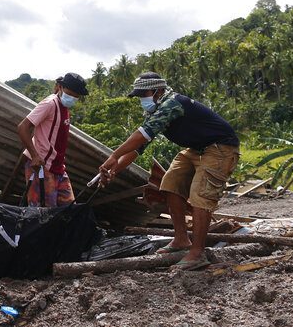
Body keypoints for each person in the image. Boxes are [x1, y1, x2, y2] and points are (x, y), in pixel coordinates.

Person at [99, 72, 240, 271]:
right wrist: (114, 169)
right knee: (170, 184)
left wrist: (113, 155)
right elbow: (138, 148)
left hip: (219, 148)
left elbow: (142, 135)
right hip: (196, 149)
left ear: (157, 91)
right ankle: (181, 239)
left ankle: (197, 253)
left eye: (144, 94)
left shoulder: (172, 103)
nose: (142, 99)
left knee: (201, 195)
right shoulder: (154, 112)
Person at [16, 72, 88, 207]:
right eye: (70, 93)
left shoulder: (65, 107)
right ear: (60, 88)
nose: (72, 98)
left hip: (58, 167)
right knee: (42, 213)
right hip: (42, 166)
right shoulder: (50, 104)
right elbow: (23, 127)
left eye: (75, 96)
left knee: (69, 210)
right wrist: (35, 156)